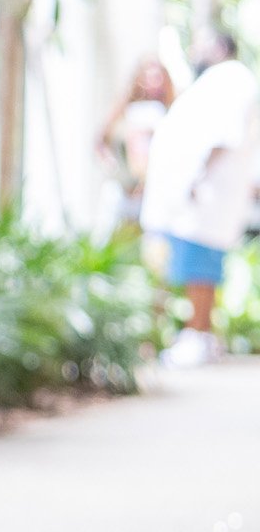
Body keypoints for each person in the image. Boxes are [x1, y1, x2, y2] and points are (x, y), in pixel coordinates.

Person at [141, 33, 260, 363]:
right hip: (197, 198)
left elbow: (224, 136)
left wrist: (197, 177)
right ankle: (197, 336)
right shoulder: (221, 81)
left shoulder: (234, 79)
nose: (197, 50)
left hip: (205, 197)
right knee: (192, 264)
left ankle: (198, 335)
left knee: (200, 268)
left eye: (203, 44)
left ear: (220, 48)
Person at [96, 57, 172, 234]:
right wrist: (112, 166)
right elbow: (101, 140)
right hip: (123, 186)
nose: (153, 81)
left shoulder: (168, 110)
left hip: (151, 190)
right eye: (149, 76)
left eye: (158, 77)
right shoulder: (126, 107)